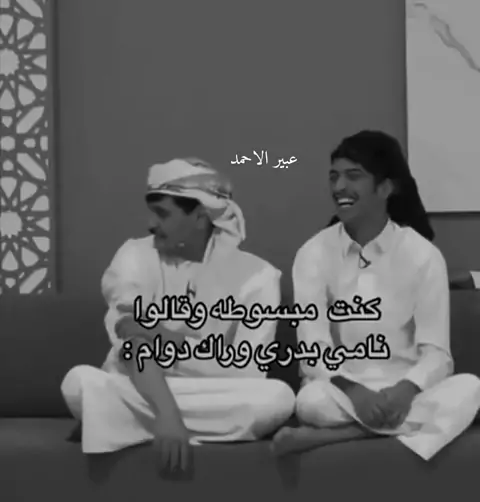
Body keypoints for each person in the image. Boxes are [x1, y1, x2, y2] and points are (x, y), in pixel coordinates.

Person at [61, 158, 295, 476]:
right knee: (78, 382)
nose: (151, 224)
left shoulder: (258, 277)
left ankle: (114, 420)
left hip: (205, 396)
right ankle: (144, 421)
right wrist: (167, 414)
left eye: (162, 213)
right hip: (142, 386)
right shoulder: (134, 256)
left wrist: (161, 337)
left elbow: (249, 371)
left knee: (277, 399)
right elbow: (133, 346)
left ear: (200, 216)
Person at [272, 130, 480, 460]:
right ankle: (394, 428)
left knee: (470, 388)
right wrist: (354, 391)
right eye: (334, 176)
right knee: (310, 402)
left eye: (353, 176)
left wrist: (406, 390)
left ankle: (340, 435)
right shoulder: (313, 253)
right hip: (339, 391)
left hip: (406, 392)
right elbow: (314, 351)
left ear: (385, 188)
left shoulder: (422, 254)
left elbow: (437, 355)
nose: (339, 187)